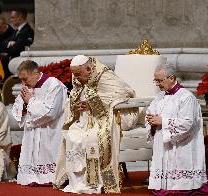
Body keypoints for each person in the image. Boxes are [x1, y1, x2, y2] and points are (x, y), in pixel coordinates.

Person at [53, 55, 137, 194]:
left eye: (79, 74)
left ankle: (96, 182)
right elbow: (74, 94)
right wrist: (76, 105)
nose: (76, 78)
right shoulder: (79, 75)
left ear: (88, 69)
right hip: (86, 118)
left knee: (91, 138)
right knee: (72, 134)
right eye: (74, 75)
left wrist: (93, 104)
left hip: (107, 116)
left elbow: (124, 93)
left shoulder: (105, 76)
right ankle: (78, 181)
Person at [146, 64, 208, 195]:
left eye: (159, 80)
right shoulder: (159, 96)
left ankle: (183, 184)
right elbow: (150, 112)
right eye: (155, 80)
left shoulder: (186, 97)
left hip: (182, 144)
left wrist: (163, 121)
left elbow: (187, 123)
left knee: (180, 178)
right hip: (162, 141)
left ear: (171, 77)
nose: (157, 84)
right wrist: (151, 120)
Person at [12, 60, 67, 186]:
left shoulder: (54, 85)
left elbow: (50, 112)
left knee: (48, 153)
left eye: (25, 79)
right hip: (32, 132)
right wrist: (25, 105)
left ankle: (51, 178)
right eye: (21, 79)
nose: (23, 83)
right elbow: (18, 109)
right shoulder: (28, 87)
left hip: (50, 130)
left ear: (36, 74)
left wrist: (30, 101)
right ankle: (32, 177)